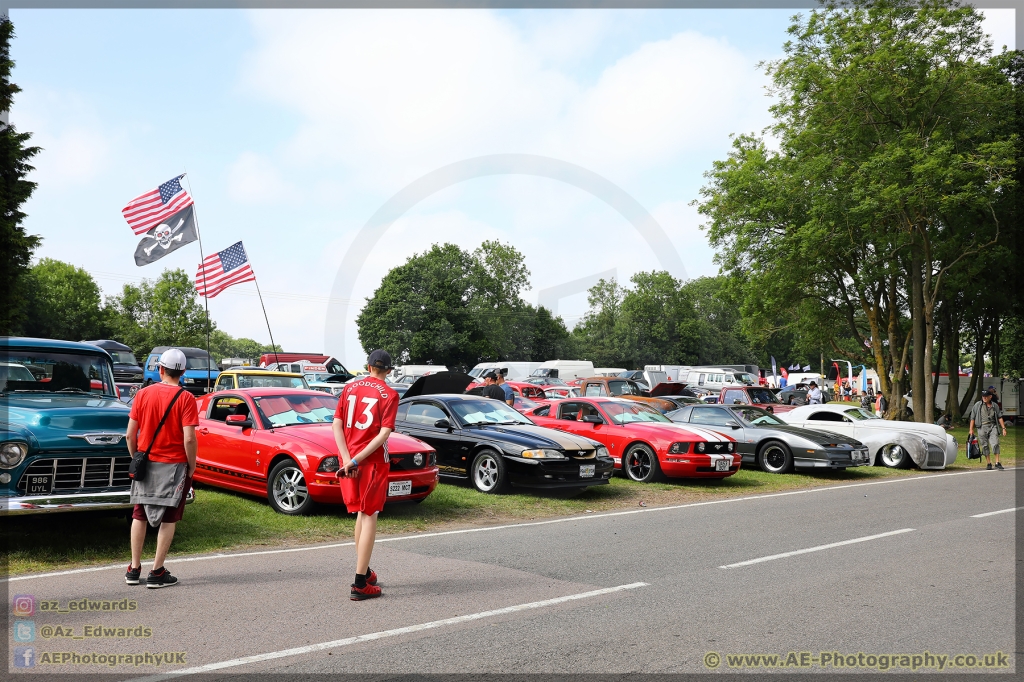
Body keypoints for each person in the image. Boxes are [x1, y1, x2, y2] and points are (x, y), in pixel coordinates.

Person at [126, 348, 198, 588]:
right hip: (175, 465)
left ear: (160, 369)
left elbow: (129, 435)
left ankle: (134, 569)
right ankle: (157, 572)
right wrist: (192, 465)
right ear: (183, 372)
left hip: (146, 462)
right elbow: (189, 439)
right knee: (169, 516)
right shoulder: (186, 398)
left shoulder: (143, 394)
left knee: (140, 513)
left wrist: (137, 458)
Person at [332, 349, 399, 601]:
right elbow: (383, 434)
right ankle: (360, 582)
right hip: (371, 461)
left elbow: (336, 424)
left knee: (360, 512)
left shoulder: (349, 388)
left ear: (368, 366)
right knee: (370, 513)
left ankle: (365, 569)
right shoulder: (390, 394)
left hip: (347, 457)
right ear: (389, 370)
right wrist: (359, 459)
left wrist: (347, 458)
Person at [969, 389, 1007, 470]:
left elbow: (1000, 417)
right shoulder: (977, 405)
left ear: (990, 397)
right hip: (982, 427)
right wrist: (971, 429)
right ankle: (988, 463)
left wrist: (1003, 428)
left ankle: (997, 462)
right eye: (983, 396)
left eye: (986, 396)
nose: (984, 398)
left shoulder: (994, 405)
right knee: (985, 445)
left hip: (993, 426)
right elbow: (972, 418)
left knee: (995, 443)